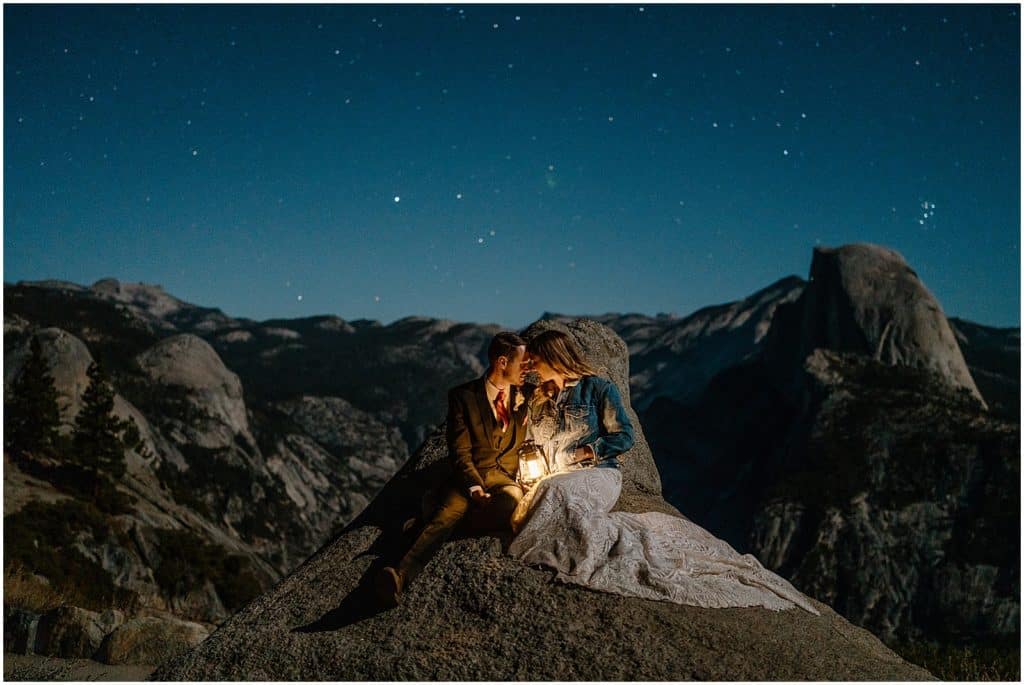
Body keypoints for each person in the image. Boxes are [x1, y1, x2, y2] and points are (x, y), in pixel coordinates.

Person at [509, 330, 820, 615]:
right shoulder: (540, 398)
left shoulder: (597, 389)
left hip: (599, 473)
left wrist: (587, 451)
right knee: (547, 495)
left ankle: (580, 553)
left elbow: (624, 436)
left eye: (536, 360)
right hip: (560, 475)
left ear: (554, 357)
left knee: (559, 496)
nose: (532, 367)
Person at [375, 332, 530, 606]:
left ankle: (421, 527)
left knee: (511, 505)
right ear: (502, 362)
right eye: (522, 362)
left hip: (505, 478)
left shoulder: (524, 396)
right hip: (469, 477)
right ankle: (398, 576)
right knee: (448, 511)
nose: (526, 369)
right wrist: (474, 488)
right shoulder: (463, 397)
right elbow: (460, 451)